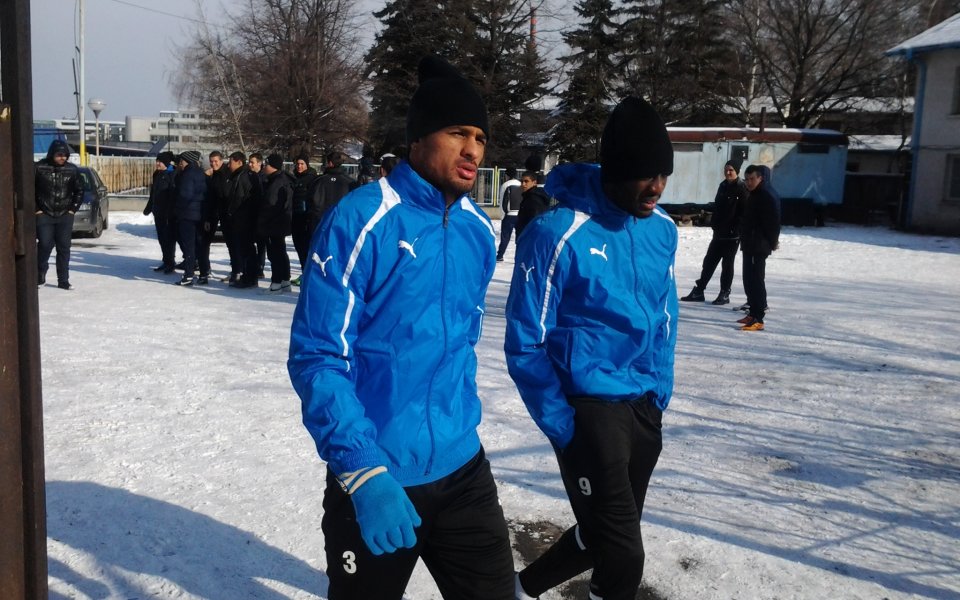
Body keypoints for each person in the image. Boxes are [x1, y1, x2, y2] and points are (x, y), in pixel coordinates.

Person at [288, 55, 515, 600]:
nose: (473, 151)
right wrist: (363, 471)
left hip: (462, 468)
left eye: (480, 138)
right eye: (457, 132)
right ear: (418, 139)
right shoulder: (361, 220)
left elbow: (461, 343)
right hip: (377, 473)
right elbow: (319, 356)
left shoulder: (478, 232)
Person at [504, 97, 678, 600]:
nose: (657, 187)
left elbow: (666, 318)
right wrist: (564, 425)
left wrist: (659, 391)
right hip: (589, 410)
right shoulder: (556, 233)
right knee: (625, 555)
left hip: (643, 406)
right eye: (646, 175)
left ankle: (519, 589)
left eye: (663, 175)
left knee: (603, 534)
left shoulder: (661, 230)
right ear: (617, 170)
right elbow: (525, 339)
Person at [680, 160, 748, 305]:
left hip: (732, 235)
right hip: (719, 232)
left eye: (731, 170)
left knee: (727, 265)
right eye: (726, 170)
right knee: (709, 261)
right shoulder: (723, 186)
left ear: (737, 172)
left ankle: (724, 293)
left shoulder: (742, 188)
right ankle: (699, 290)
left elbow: (744, 213)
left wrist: (735, 228)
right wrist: (714, 223)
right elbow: (718, 207)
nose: (728, 172)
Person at [35, 139, 84, 289]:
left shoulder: (72, 170)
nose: (62, 157)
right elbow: (29, 190)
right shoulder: (39, 168)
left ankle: (63, 280)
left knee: (64, 248)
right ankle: (39, 273)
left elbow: (79, 191)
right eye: (59, 154)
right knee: (44, 244)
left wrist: (72, 210)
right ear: (52, 154)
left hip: (64, 215)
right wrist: (37, 209)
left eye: (65, 155)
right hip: (44, 213)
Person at [737, 164, 780, 331]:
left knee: (756, 280)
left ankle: (758, 318)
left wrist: (772, 241)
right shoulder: (754, 194)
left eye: (752, 179)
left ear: (760, 178)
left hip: (759, 245)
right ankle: (752, 312)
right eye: (746, 179)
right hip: (749, 243)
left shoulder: (767, 195)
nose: (748, 182)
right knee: (748, 279)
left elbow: (773, 222)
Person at [224, 151, 262, 289]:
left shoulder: (244, 176)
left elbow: (240, 197)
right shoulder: (239, 175)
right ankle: (248, 276)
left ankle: (250, 277)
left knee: (247, 249)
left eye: (231, 162)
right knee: (245, 249)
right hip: (243, 218)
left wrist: (233, 212)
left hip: (244, 218)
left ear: (239, 162)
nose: (228, 165)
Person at [173, 151, 209, 286]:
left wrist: (177, 208)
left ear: (186, 161)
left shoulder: (187, 174)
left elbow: (185, 195)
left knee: (189, 246)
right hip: (199, 214)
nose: (180, 164)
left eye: (181, 161)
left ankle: (188, 275)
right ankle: (204, 274)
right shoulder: (200, 172)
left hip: (188, 215)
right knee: (200, 246)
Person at [258, 153, 293, 293]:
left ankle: (276, 282)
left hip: (274, 223)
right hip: (280, 222)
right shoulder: (279, 179)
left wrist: (262, 220)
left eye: (266, 164)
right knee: (280, 251)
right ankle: (285, 281)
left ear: (273, 166)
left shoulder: (277, 181)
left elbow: (271, 204)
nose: (264, 167)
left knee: (275, 254)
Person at [305, 150, 357, 237]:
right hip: (343, 223)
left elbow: (310, 202)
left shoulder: (318, 181)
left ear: (330, 163)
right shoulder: (351, 183)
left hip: (320, 224)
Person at [143, 151, 179, 274]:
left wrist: (171, 211)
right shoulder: (157, 174)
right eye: (157, 161)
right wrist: (149, 208)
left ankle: (171, 263)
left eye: (160, 161)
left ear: (166, 163)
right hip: (158, 212)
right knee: (162, 239)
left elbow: (173, 195)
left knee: (169, 239)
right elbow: (154, 193)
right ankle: (166, 261)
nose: (157, 163)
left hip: (168, 214)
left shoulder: (172, 174)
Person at [290, 153, 318, 285]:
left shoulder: (312, 178)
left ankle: (308, 276)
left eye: (302, 164)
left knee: (306, 249)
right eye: (298, 164)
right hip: (294, 217)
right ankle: (304, 273)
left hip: (306, 218)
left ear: (307, 165)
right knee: (299, 249)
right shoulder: (294, 177)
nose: (299, 166)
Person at [496, 167, 523, 262]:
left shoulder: (505, 185)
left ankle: (500, 255)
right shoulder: (521, 184)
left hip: (509, 215)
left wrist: (502, 215)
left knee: (505, 237)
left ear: (507, 175)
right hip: (520, 215)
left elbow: (502, 201)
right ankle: (519, 257)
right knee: (520, 237)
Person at [249, 151, 268, 278]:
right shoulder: (248, 175)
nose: (250, 164)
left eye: (252, 162)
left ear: (259, 164)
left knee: (261, 244)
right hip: (249, 215)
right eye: (249, 162)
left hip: (261, 216)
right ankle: (251, 266)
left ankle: (260, 268)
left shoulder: (264, 178)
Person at [514, 170, 550, 237]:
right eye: (522, 181)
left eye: (526, 181)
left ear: (534, 182)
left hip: (529, 238)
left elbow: (536, 221)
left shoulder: (534, 199)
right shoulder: (528, 196)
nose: (523, 184)